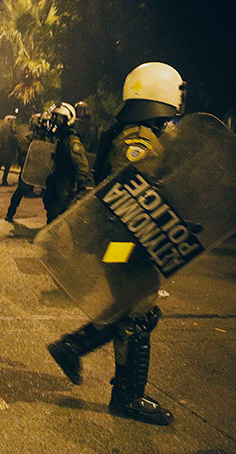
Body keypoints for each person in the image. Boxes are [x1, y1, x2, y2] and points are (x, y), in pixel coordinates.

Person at [47, 62, 186, 425]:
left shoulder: (143, 131)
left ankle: (72, 347)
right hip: (121, 241)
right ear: (162, 92)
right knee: (138, 313)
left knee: (131, 309)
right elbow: (132, 190)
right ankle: (127, 397)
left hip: (127, 238)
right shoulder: (137, 138)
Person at [41, 102, 92, 223]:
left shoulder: (71, 139)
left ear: (68, 119)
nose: (56, 120)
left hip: (66, 182)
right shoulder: (61, 137)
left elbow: (81, 163)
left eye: (60, 118)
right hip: (58, 178)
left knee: (61, 212)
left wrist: (81, 182)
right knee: (52, 208)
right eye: (55, 117)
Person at [0, 117, 18, 186]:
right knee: (4, 165)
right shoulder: (7, 129)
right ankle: (2, 180)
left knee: (1, 165)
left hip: (5, 150)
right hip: (5, 150)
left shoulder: (8, 129)